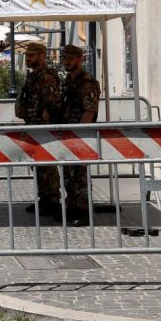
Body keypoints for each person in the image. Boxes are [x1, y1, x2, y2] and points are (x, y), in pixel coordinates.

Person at [14, 42, 62, 215]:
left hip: (44, 128)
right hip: (33, 125)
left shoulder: (47, 76)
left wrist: (47, 114)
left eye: (32, 55)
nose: (28, 58)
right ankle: (44, 198)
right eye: (27, 56)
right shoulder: (33, 76)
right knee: (38, 165)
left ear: (42, 56)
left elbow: (54, 102)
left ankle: (53, 200)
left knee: (47, 165)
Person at [59, 44, 100, 224]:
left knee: (80, 175)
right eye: (64, 58)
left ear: (80, 59)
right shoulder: (68, 81)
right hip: (67, 134)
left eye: (70, 58)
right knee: (68, 174)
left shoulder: (88, 82)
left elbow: (89, 111)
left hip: (81, 135)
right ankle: (71, 206)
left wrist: (79, 135)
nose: (66, 62)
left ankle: (83, 211)